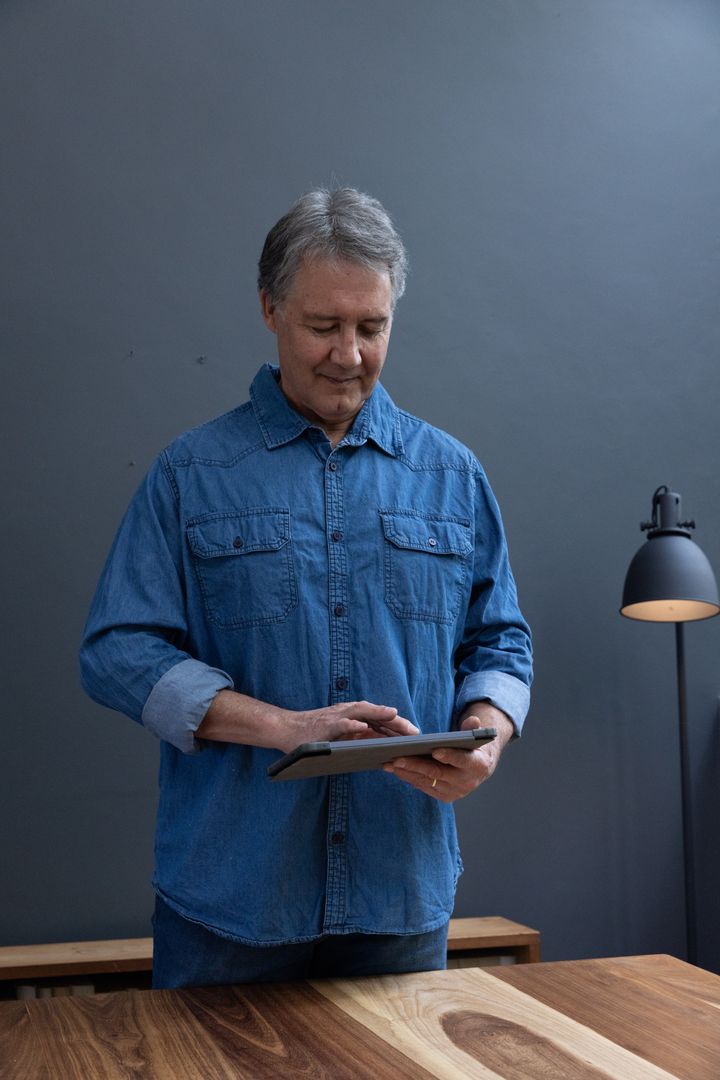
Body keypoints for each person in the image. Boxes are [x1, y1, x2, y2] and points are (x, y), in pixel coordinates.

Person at [80, 187, 532, 988]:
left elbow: (501, 642)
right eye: (324, 326)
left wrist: (487, 734)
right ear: (270, 308)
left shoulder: (452, 475)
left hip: (400, 896)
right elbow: (117, 651)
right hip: (230, 903)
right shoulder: (191, 473)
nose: (349, 355)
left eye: (372, 327)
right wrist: (281, 727)